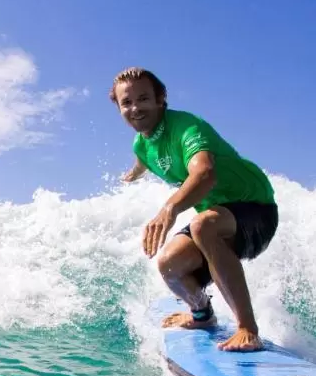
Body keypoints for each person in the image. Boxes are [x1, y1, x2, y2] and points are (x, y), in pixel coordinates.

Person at [111, 67, 278, 352]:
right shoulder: (141, 144)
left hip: (256, 209)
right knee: (169, 265)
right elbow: (143, 159)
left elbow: (205, 174)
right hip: (219, 217)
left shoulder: (187, 127)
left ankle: (248, 329)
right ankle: (203, 314)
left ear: (161, 99)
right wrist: (133, 173)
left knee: (203, 225)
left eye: (143, 99)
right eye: (127, 102)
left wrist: (170, 208)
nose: (135, 108)